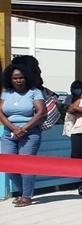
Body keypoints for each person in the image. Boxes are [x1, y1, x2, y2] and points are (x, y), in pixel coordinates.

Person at [0, 62, 47, 207]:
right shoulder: (6, 93)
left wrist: (23, 129)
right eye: (15, 78)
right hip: (9, 132)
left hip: (30, 132)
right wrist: (13, 128)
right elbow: (0, 112)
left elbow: (41, 113)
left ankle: (27, 196)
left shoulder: (35, 92)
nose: (18, 81)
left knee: (26, 166)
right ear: (10, 79)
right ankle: (22, 190)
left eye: (20, 78)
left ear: (26, 78)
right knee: (8, 165)